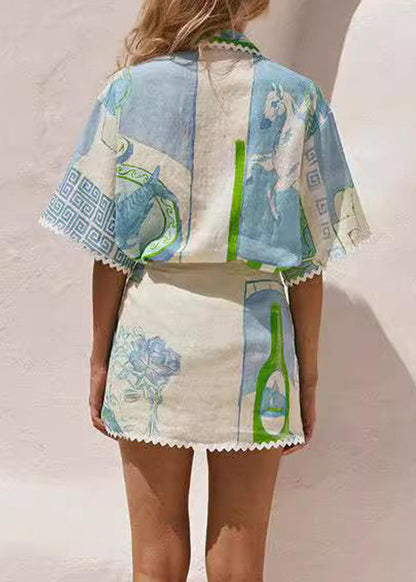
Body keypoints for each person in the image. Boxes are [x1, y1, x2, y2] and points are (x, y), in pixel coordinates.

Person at [38, 0, 373, 580]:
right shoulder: (297, 98)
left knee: (155, 562)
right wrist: (307, 379)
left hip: (151, 339)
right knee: (239, 566)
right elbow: (307, 264)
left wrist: (100, 361)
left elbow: (112, 253)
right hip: (254, 343)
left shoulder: (127, 92)